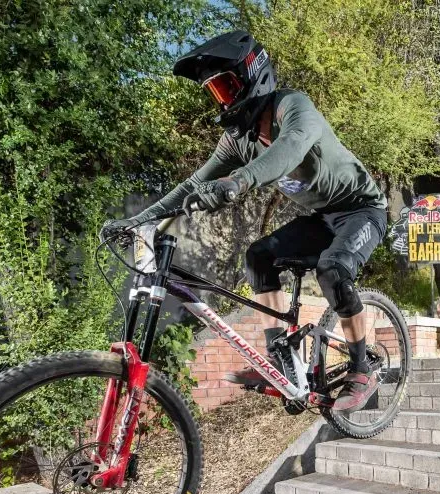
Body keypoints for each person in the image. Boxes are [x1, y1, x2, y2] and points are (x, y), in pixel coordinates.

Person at [101, 31, 387, 413]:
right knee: (258, 257)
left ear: (254, 76)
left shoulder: (293, 107)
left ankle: (361, 368)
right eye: (215, 93)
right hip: (322, 217)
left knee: (333, 269)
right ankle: (282, 360)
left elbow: (287, 151)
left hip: (363, 209)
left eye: (227, 87)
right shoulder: (239, 139)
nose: (224, 100)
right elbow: (193, 183)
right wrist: (138, 219)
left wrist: (238, 181)